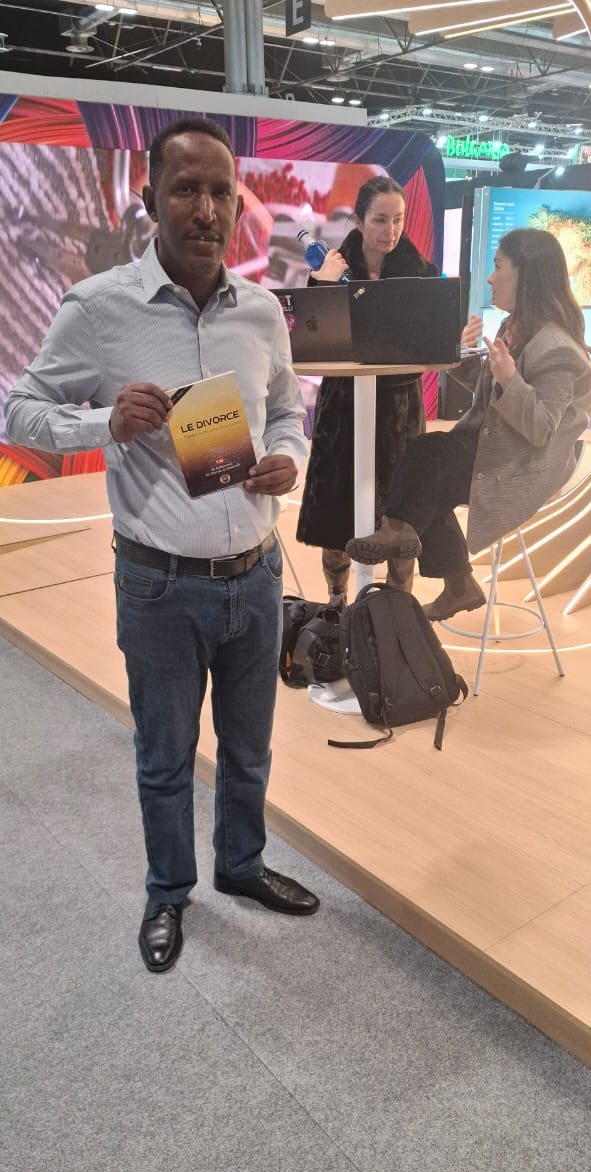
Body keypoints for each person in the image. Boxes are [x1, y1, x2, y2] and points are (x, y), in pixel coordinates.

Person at [5, 117, 319, 975]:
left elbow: (285, 411)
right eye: (186, 189)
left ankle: (241, 865)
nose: (207, 209)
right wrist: (104, 423)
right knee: (164, 756)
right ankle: (168, 890)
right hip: (159, 585)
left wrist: (286, 456)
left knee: (249, 750)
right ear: (149, 199)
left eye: (221, 192)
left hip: (255, 576)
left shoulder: (262, 312)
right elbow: (19, 409)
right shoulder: (99, 308)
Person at [345, 228, 591, 622]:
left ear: (526, 275)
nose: (490, 278)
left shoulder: (557, 348)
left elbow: (543, 429)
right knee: (426, 482)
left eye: (498, 266)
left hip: (522, 464)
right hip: (494, 445)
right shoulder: (514, 326)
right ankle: (454, 581)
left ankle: (400, 531)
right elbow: (490, 397)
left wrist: (510, 379)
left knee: (426, 455)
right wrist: (463, 354)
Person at [295, 175, 439, 602]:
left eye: (398, 219)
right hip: (343, 406)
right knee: (339, 510)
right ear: (358, 220)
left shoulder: (421, 275)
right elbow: (310, 335)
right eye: (379, 219)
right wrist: (322, 284)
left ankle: (398, 611)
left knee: (401, 513)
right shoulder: (332, 265)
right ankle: (337, 602)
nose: (390, 230)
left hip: (400, 409)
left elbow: (431, 340)